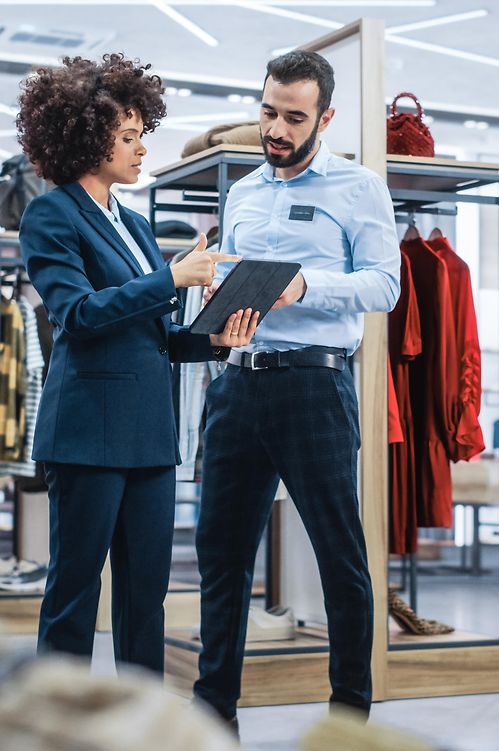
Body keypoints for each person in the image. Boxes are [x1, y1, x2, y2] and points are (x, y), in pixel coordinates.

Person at [16, 53, 258, 673]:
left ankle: (143, 726)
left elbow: (150, 335)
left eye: (139, 135)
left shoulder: (136, 224)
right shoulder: (51, 213)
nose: (140, 150)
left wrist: (213, 340)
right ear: (85, 136)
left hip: (149, 438)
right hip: (88, 437)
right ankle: (60, 730)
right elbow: (78, 313)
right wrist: (171, 279)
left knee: (145, 598)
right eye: (127, 138)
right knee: (73, 594)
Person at [194, 51, 401, 727]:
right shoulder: (243, 191)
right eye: (267, 112)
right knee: (220, 559)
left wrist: (306, 283)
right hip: (236, 386)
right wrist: (218, 306)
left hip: (315, 386)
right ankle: (214, 714)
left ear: (324, 117)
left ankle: (348, 718)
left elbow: (385, 284)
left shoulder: (358, 187)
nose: (275, 129)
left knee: (341, 555)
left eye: (293, 117)